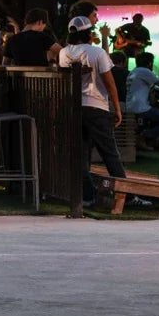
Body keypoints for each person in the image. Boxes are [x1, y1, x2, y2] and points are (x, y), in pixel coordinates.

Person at [58, 15, 134, 215]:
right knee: (110, 153)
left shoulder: (64, 53)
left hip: (74, 107)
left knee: (82, 154)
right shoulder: (96, 52)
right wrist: (117, 108)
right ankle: (125, 195)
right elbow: (109, 83)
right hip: (95, 106)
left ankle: (88, 195)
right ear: (89, 33)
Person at [125, 51, 159, 150]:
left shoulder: (134, 71)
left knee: (158, 114)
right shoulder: (145, 71)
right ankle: (143, 136)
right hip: (141, 108)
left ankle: (149, 140)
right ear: (150, 63)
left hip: (131, 106)